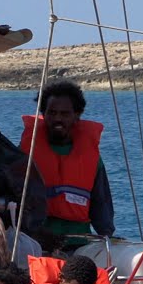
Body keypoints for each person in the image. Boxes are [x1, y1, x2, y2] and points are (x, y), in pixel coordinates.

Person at [19, 79, 115, 242]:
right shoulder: (25, 155)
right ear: (43, 114)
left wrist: (107, 240)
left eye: (65, 114)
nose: (58, 119)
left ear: (77, 115)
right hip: (36, 242)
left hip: (79, 243)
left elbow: (102, 206)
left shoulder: (92, 158)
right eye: (52, 112)